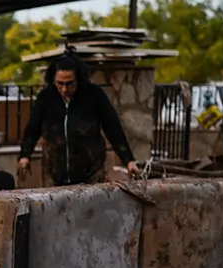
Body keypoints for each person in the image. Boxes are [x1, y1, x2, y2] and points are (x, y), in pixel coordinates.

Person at [17, 49, 139, 186]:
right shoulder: (46, 98)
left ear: (79, 79)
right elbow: (33, 128)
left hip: (90, 172)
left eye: (69, 84)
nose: (64, 89)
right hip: (54, 172)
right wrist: (25, 155)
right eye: (60, 83)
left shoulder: (94, 95)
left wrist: (128, 160)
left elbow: (113, 127)